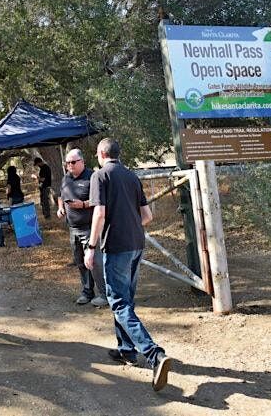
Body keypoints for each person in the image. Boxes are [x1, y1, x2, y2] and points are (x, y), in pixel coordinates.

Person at [84, 138, 172, 392]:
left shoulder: (99, 176)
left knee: (119, 303)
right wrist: (129, 225)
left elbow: (99, 214)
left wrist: (91, 247)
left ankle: (155, 355)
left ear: (101, 154)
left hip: (116, 247)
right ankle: (126, 350)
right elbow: (147, 216)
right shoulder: (132, 177)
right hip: (136, 245)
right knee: (125, 300)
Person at [58, 149, 107, 308]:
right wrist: (61, 208)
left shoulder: (92, 177)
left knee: (94, 261)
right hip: (73, 228)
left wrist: (83, 205)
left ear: (82, 162)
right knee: (80, 261)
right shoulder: (66, 178)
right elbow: (61, 195)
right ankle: (87, 291)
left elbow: (100, 201)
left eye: (73, 162)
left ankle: (104, 293)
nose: (70, 165)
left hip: (89, 228)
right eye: (67, 163)